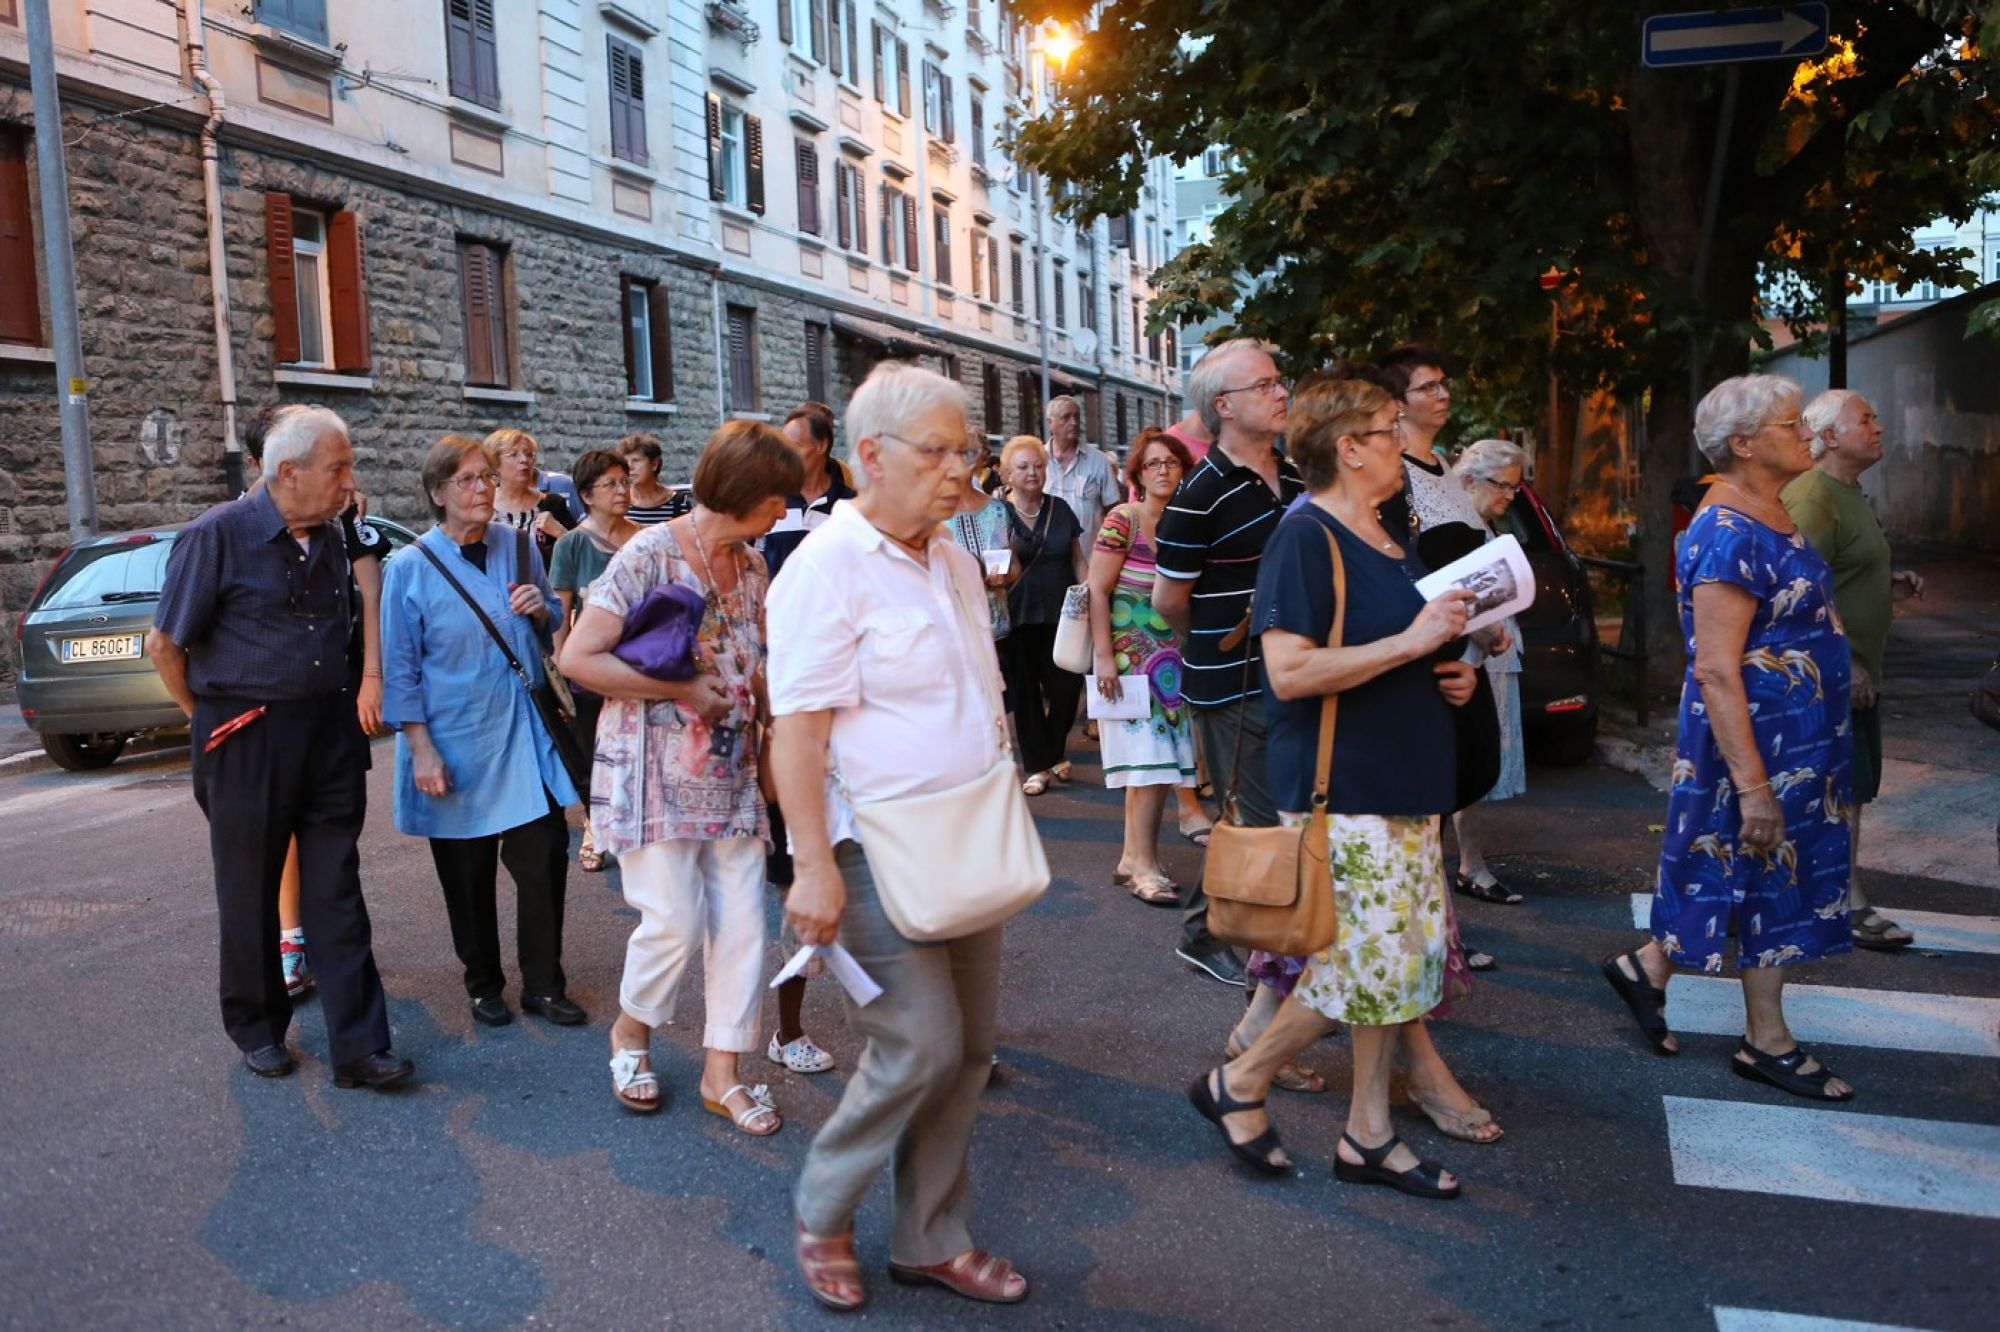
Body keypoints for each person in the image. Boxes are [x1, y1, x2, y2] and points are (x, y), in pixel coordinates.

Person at [770, 361, 1028, 1311]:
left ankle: (930, 1238)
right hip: (872, 846)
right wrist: (811, 868)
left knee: (968, 1051)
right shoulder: (825, 569)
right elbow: (796, 734)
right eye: (940, 451)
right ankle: (823, 1205)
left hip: (968, 834)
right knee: (919, 1041)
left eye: (969, 451)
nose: (962, 470)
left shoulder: (952, 558)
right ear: (872, 456)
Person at [1187, 376, 1484, 1198]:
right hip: (1344, 785)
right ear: (1349, 449)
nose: (1404, 444)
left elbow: (1393, 642)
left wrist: (1446, 668)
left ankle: (1369, 1133)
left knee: (1397, 965)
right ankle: (1240, 1080)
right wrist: (1413, 643)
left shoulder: (1386, 533)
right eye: (1390, 430)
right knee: (1368, 966)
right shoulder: (1305, 535)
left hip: (1401, 777)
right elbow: (1288, 671)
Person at [1603, 374, 1857, 1101]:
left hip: (1799, 742)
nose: (1806, 433)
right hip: (1753, 747)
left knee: (1749, 872)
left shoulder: (1771, 509)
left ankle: (1648, 969)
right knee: (1760, 869)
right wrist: (1753, 787)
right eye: (1790, 423)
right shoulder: (1726, 532)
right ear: (1743, 444)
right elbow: (1716, 668)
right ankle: (1765, 1042)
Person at [146, 405, 409, 1089]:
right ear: (288, 472)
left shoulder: (332, 533)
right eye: (339, 469)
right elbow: (164, 645)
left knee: (336, 889)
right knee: (249, 890)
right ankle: (258, 1028)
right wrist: (206, 720)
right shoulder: (216, 536)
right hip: (245, 733)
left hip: (328, 732)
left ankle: (361, 1048)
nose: (350, 483)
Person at [560, 423, 803, 1127]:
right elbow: (578, 659)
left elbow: (756, 657)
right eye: (777, 498)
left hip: (733, 772)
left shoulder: (753, 566)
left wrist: (774, 708)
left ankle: (722, 1074)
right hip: (651, 771)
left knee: (742, 925)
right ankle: (631, 1030)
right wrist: (683, 690)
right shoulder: (649, 554)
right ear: (745, 492)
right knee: (673, 920)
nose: (783, 511)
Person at [379, 435, 584, 1031]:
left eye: (487, 478)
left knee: (544, 857)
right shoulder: (410, 567)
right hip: (454, 741)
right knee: (466, 877)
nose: (482, 489)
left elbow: (549, 624)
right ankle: (483, 984)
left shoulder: (518, 548)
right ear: (438, 492)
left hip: (522, 733)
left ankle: (544, 985)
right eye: (467, 479)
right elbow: (400, 668)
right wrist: (421, 750)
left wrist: (542, 610)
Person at [1152, 338, 1303, 987]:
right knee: (1254, 821)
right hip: (1230, 683)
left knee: (1268, 818)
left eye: (1278, 380)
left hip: (1294, 673)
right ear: (1224, 406)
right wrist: (1218, 643)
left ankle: (1231, 936)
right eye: (1264, 385)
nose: (1281, 392)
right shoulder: (1199, 494)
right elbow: (1168, 601)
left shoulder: (1295, 477)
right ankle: (1217, 939)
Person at [239, 404, 390, 999]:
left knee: (331, 830)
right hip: (275, 705)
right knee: (284, 830)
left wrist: (372, 676)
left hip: (336, 685)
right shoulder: (239, 525)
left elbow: (371, 592)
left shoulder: (342, 515)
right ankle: (291, 938)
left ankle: (335, 946)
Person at [1784, 389, 1922, 951]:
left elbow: (1836, 570)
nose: (1878, 427)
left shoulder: (1845, 493)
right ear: (1830, 437)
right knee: (1842, 792)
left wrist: (1885, 583)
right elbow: (1799, 591)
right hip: (1835, 674)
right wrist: (1846, 660)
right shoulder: (1815, 497)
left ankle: (1805, 894)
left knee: (1847, 791)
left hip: (1852, 671)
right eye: (1865, 419)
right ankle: (1848, 902)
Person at [758, 402, 854, 1076]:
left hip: (847, 693)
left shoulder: (852, 510)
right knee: (794, 872)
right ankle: (787, 1031)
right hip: (786, 688)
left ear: (823, 447)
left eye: (797, 442)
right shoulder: (770, 506)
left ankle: (922, 1031)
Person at [1086, 428, 1200, 906]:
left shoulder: (1186, 522)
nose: (1162, 471)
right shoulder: (1123, 519)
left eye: (1171, 463)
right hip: (1129, 661)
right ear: (1138, 473)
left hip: (1173, 664)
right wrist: (1104, 658)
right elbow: (1096, 589)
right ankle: (1143, 865)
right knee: (1148, 764)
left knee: (1153, 764)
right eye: (1153, 463)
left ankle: (1133, 860)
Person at [548, 449, 642, 873]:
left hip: (642, 665)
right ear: (586, 495)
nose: (621, 491)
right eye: (610, 484)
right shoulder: (571, 545)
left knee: (638, 750)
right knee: (593, 753)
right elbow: (561, 611)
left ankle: (638, 828)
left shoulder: (645, 538)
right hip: (591, 669)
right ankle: (595, 826)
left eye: (625, 482)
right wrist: (562, 668)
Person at [1448, 439, 1530, 904]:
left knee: (1475, 763)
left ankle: (1471, 864)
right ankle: (1468, 868)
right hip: (1466, 655)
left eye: (1516, 487)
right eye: (1503, 485)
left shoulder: (1483, 525)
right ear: (1468, 480)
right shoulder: (1455, 525)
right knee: (1461, 762)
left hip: (1490, 653)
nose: (1510, 495)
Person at [998, 435, 1088, 795]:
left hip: (1062, 615)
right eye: (1023, 467)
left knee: (1067, 688)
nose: (1032, 472)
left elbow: (1077, 558)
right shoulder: (997, 512)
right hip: (1018, 615)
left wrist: (1090, 595)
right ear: (1007, 473)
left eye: (1038, 465)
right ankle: (1038, 767)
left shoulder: (1060, 509)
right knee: (1026, 695)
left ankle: (1052, 752)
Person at [1041, 394, 1124, 565]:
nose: (1074, 422)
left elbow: (1114, 513)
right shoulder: (1038, 461)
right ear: (1050, 423)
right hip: (1047, 565)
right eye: (1066, 417)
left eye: (1076, 416)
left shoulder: (1098, 461)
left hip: (1090, 561)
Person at [485, 428, 571, 563]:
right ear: (495, 464)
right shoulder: (484, 505)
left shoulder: (552, 504)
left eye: (528, 454)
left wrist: (560, 532)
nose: (524, 460)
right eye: (513, 454)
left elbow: (581, 553)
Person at [618, 432, 690, 525]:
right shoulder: (620, 501)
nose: (630, 467)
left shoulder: (678, 503)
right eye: (625, 462)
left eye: (636, 460)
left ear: (654, 464)